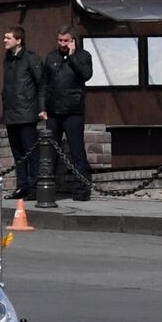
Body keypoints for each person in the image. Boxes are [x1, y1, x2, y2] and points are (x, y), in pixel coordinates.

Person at [43, 25, 94, 201]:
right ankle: (48, 188)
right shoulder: (51, 57)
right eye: (60, 40)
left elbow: (86, 75)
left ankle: (83, 189)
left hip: (73, 110)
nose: (62, 44)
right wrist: (43, 108)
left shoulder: (83, 56)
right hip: (53, 111)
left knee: (77, 151)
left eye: (66, 41)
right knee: (50, 151)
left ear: (73, 41)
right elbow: (45, 83)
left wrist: (72, 57)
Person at [1, 25, 45, 199]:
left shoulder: (30, 58)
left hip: (26, 113)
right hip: (11, 112)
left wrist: (42, 108)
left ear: (18, 40)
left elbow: (42, 83)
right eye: (4, 37)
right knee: (17, 153)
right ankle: (22, 186)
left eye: (8, 37)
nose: (5, 40)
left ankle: (34, 187)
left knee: (31, 151)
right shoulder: (8, 59)